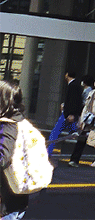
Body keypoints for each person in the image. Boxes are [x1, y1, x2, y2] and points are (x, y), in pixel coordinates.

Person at [68, 74, 95, 167]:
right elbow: (86, 107)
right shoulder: (92, 92)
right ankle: (74, 160)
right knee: (81, 139)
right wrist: (82, 120)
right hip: (88, 119)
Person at [0, 80, 28, 220]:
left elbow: (2, 158)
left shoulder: (9, 125)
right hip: (15, 199)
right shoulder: (18, 121)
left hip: (6, 202)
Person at [47, 69, 83, 157]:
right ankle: (73, 130)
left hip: (68, 114)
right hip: (70, 114)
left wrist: (71, 113)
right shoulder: (76, 85)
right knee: (64, 131)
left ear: (67, 75)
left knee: (54, 133)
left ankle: (48, 152)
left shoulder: (73, 86)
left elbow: (73, 101)